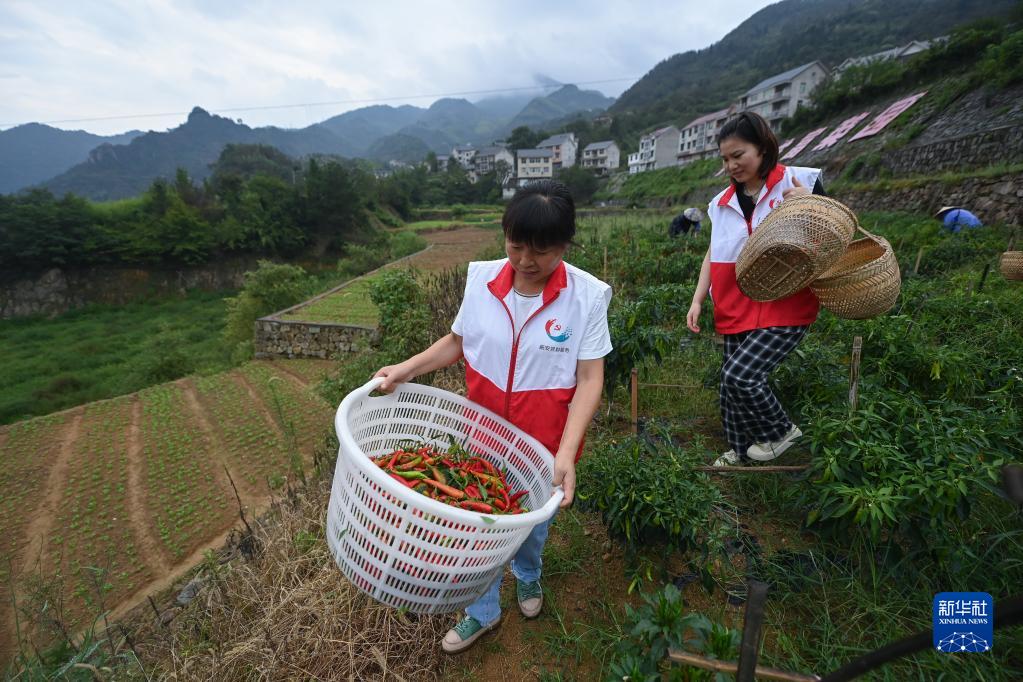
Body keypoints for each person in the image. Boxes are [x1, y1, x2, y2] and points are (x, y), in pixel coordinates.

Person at [373, 180, 612, 653]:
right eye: (516, 245)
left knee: (531, 529)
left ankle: (528, 574)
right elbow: (457, 342)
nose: (525, 260)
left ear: (565, 245)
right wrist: (406, 369)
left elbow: (590, 378)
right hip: (480, 440)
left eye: (541, 250)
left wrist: (566, 453)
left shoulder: (586, 296)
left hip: (541, 448)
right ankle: (481, 612)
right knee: (474, 533)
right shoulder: (481, 281)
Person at [686, 112, 824, 467]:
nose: (731, 165)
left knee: (741, 375)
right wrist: (698, 299)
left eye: (738, 155)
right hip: (735, 305)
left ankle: (781, 431)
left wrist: (809, 203)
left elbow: (834, 229)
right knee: (728, 387)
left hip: (786, 304)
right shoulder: (720, 203)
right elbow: (714, 252)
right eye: (725, 159)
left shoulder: (798, 182)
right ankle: (740, 450)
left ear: (763, 148)